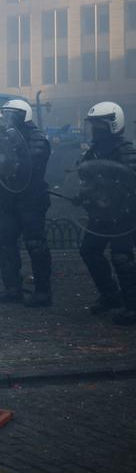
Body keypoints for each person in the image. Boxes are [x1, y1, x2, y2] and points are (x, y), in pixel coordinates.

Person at [76, 102, 136, 325]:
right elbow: (88, 180)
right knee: (89, 251)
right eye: (94, 125)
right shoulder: (94, 152)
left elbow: (131, 183)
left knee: (122, 258)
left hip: (123, 215)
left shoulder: (126, 151)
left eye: (100, 125)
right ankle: (111, 296)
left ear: (113, 124)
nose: (96, 129)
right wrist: (82, 195)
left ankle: (132, 306)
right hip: (100, 214)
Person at [0, 99, 53, 307]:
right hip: (9, 198)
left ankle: (43, 291)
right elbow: (1, 165)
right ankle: (12, 287)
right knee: (4, 242)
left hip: (31, 198)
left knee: (36, 244)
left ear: (23, 116)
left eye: (12, 115)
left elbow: (27, 164)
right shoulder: (5, 136)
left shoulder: (36, 138)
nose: (7, 119)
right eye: (5, 114)